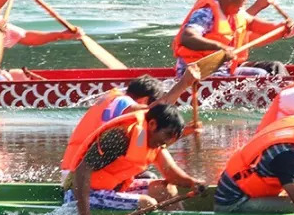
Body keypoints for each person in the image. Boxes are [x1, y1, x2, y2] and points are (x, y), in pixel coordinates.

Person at [68, 104, 207, 215]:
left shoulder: (155, 141)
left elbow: (172, 174)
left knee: (167, 189)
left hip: (113, 189)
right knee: (147, 203)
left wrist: (193, 183)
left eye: (172, 138)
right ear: (152, 124)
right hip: (81, 195)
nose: (168, 141)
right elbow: (81, 171)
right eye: (168, 134)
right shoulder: (120, 136)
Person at [60, 66, 199, 181]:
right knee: (149, 178)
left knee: (145, 176)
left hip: (79, 169)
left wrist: (180, 134)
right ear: (145, 100)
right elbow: (154, 110)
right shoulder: (122, 101)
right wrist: (183, 84)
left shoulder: (115, 105)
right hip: (79, 175)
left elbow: (149, 142)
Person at [172, 0, 294, 77]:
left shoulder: (235, 13)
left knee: (272, 70)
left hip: (223, 71)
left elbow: (253, 24)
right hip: (195, 73)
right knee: (260, 76)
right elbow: (187, 37)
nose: (244, 4)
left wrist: (282, 28)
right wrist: (220, 47)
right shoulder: (206, 13)